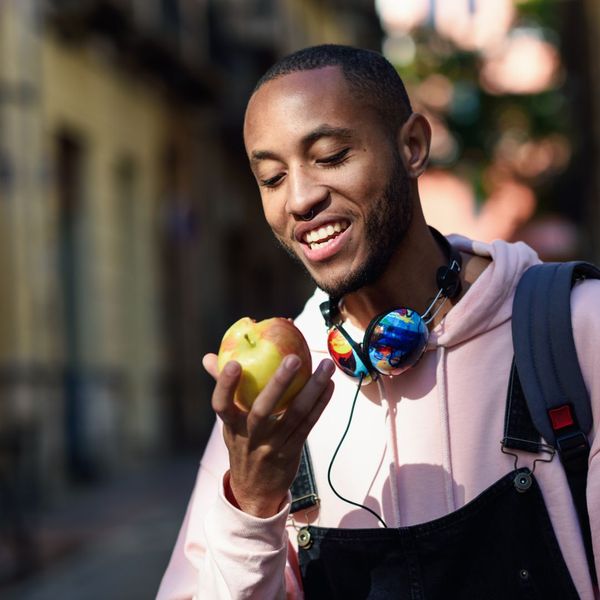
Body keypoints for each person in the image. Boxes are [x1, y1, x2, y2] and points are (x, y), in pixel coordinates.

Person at [157, 45, 600, 599]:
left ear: (412, 146)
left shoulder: (576, 331)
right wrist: (251, 504)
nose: (299, 199)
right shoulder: (270, 401)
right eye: (271, 178)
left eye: (331, 155)